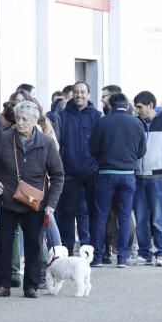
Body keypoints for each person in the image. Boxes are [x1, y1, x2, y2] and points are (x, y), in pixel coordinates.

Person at [0, 100, 64, 298]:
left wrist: (51, 205)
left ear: (35, 121)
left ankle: (31, 286)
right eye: (18, 118)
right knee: (3, 244)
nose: (20, 123)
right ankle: (3, 284)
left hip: (34, 203)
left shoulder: (46, 143)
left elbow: (58, 175)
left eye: (25, 119)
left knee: (34, 245)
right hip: (7, 200)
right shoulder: (3, 139)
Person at [89, 93, 146, 268]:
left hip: (106, 173)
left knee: (101, 216)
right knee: (124, 216)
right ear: (127, 105)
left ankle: (97, 257)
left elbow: (92, 148)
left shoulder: (102, 122)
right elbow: (142, 150)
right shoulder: (136, 123)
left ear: (110, 105)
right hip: (128, 174)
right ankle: (122, 257)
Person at [53, 82, 103, 255]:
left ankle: (90, 250)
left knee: (91, 213)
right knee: (66, 214)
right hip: (69, 174)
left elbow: (102, 144)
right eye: (76, 92)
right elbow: (57, 143)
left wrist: (97, 166)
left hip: (92, 174)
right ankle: (66, 251)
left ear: (89, 94)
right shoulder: (62, 116)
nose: (79, 95)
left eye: (82, 92)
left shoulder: (97, 116)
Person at [130, 91, 162, 267]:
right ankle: (144, 253)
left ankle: (161, 252)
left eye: (140, 107)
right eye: (136, 107)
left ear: (150, 105)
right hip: (139, 176)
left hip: (158, 176)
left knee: (158, 217)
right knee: (141, 217)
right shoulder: (136, 123)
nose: (137, 110)